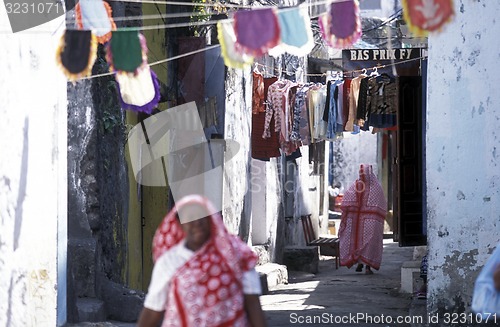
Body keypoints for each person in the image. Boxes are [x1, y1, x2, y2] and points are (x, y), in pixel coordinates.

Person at [138, 195, 267, 327]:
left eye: (202, 217)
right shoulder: (169, 261)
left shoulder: (237, 254)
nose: (197, 223)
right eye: (190, 218)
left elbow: (252, 302)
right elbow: (153, 309)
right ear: (179, 223)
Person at [338, 164, 387, 274]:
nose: (363, 176)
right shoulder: (357, 185)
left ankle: (367, 266)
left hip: (371, 222)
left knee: (369, 242)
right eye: (362, 174)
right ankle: (360, 263)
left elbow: (380, 204)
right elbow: (347, 199)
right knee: (358, 243)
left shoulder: (376, 187)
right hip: (357, 221)